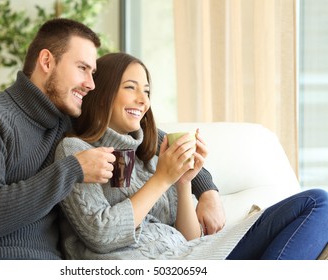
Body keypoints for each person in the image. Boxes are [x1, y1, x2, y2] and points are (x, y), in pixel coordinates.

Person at [0, 19, 222, 260]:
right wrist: (73, 169)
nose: (91, 84)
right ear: (47, 61)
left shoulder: (66, 120)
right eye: (83, 69)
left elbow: (151, 138)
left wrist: (207, 190)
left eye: (94, 73)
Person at [55, 52, 328, 260]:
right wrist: (162, 179)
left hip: (193, 256)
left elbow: (186, 237)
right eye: (131, 87)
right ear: (102, 94)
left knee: (315, 202)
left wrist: (185, 182)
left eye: (147, 91)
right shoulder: (77, 150)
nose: (143, 100)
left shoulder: (151, 149)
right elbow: (101, 234)